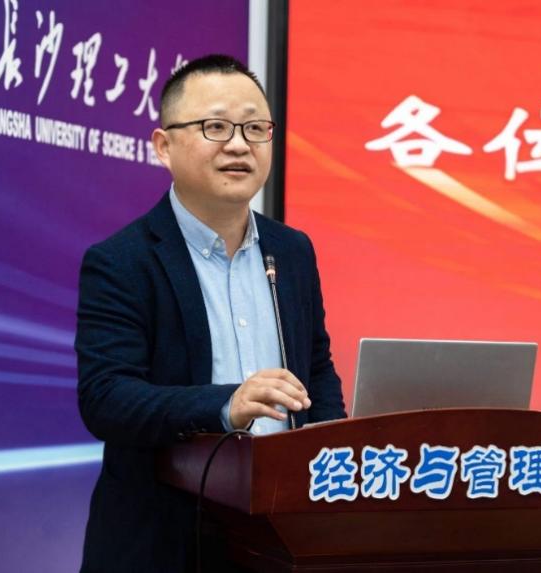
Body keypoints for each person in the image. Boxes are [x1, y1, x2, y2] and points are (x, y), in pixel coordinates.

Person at [75, 54, 347, 572]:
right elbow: (106, 398)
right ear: (164, 146)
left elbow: (315, 368)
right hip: (164, 538)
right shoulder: (122, 261)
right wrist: (226, 404)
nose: (240, 145)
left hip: (281, 537)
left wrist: (332, 454)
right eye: (215, 127)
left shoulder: (292, 251)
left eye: (255, 128)